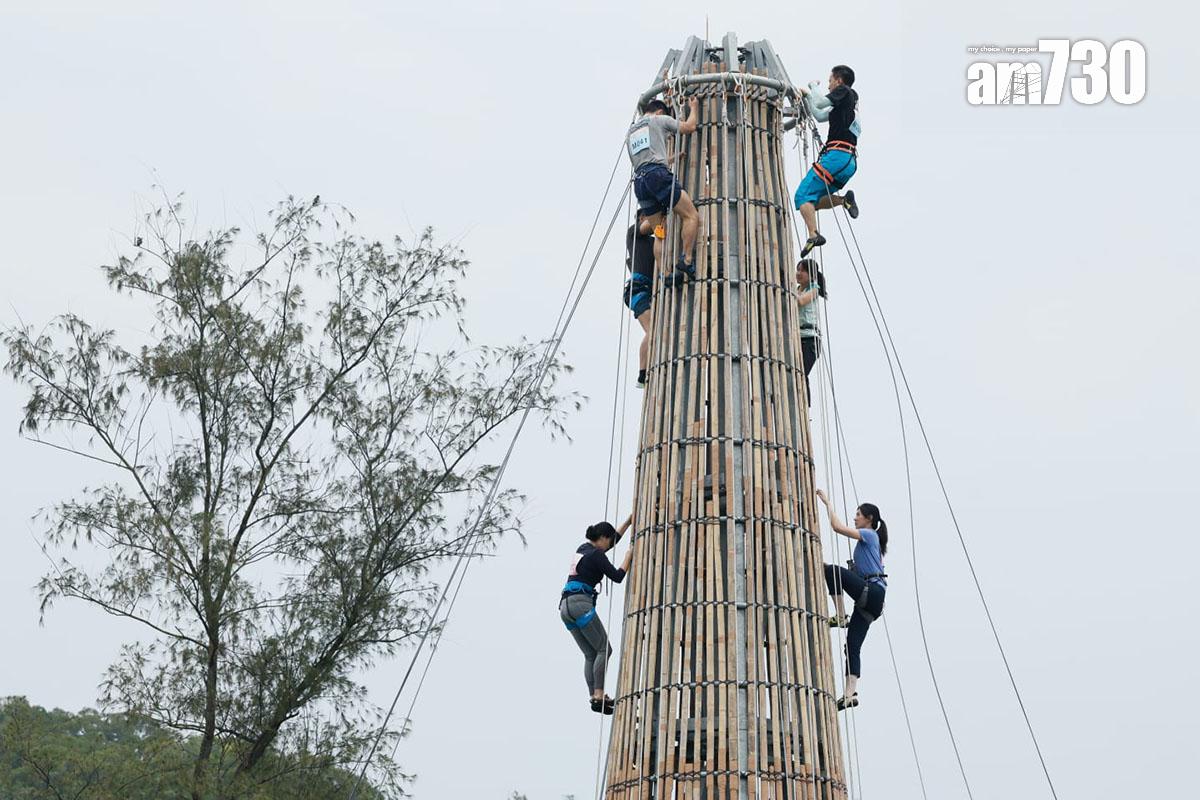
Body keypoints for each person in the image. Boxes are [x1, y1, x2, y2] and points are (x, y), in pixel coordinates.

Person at [814, 489, 887, 710]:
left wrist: (827, 503)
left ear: (869, 519)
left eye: (858, 514)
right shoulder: (870, 544)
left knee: (834, 572)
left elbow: (836, 527)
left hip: (871, 592)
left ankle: (840, 615)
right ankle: (849, 694)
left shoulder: (870, 535)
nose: (855, 518)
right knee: (852, 645)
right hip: (872, 602)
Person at [560, 513, 634, 714]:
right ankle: (599, 693)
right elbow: (618, 577)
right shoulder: (596, 555)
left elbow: (612, 540)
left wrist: (628, 522)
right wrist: (628, 557)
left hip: (565, 607)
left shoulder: (583, 549)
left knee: (590, 653)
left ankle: (594, 696)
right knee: (604, 649)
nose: (610, 544)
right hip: (580, 604)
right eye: (608, 541)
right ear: (602, 538)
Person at [627, 97, 701, 285]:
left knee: (659, 230)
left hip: (641, 183)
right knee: (691, 215)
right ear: (660, 112)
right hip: (659, 178)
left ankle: (665, 274)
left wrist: (673, 157)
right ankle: (687, 261)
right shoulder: (659, 119)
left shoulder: (631, 134)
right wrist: (694, 108)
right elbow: (689, 127)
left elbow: (647, 158)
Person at [794, 65, 861, 258]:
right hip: (848, 162)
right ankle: (843, 201)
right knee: (811, 202)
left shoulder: (844, 91)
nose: (829, 85)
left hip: (836, 156)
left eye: (830, 80)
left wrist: (813, 87)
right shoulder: (848, 102)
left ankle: (813, 235)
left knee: (802, 196)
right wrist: (807, 97)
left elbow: (821, 102)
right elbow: (820, 115)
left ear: (839, 80)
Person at [624, 222, 656, 388]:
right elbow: (648, 225)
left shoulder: (654, 242)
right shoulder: (633, 234)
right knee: (653, 331)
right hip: (637, 290)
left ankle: (644, 372)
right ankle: (642, 374)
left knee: (654, 331)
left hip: (647, 292)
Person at [796, 258, 826, 404]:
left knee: (801, 373)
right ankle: (802, 403)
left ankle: (804, 405)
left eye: (802, 270)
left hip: (810, 340)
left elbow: (801, 301)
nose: (798, 273)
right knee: (797, 372)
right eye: (798, 269)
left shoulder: (814, 288)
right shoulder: (796, 290)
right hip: (798, 338)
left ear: (811, 274)